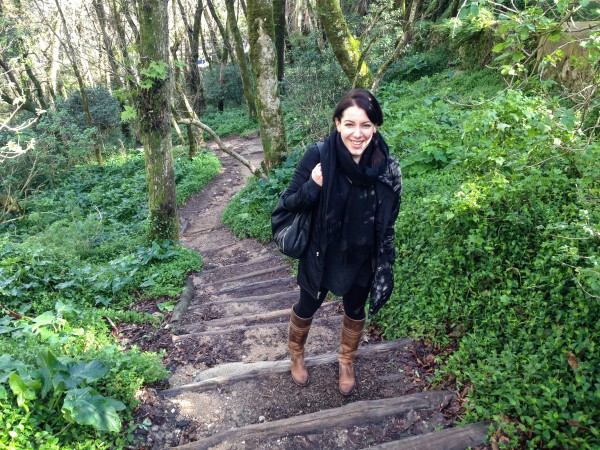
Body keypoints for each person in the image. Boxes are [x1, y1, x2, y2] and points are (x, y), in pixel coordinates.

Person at [277, 88, 402, 395]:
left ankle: (346, 360)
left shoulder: (388, 167)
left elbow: (389, 221)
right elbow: (288, 203)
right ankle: (296, 353)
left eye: (366, 125)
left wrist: (385, 262)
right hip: (323, 250)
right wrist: (313, 185)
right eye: (350, 124)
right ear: (337, 123)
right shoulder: (318, 156)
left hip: (362, 254)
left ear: (375, 127)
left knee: (355, 309)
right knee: (308, 304)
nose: (357, 133)